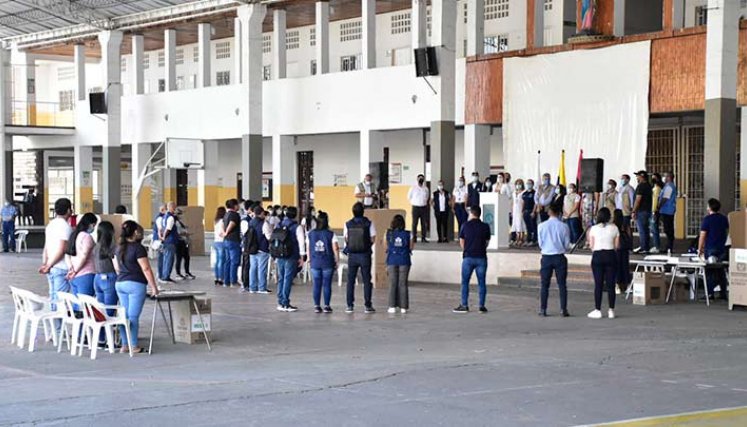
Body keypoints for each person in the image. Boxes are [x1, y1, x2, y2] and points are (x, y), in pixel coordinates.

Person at [113, 221, 159, 354]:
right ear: (135, 232)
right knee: (132, 316)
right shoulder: (138, 248)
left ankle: (124, 344)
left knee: (124, 315)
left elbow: (116, 267)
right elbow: (146, 268)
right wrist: (154, 287)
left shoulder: (119, 247)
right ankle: (133, 345)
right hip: (135, 284)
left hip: (120, 283)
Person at [38, 198, 73, 323]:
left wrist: (46, 263)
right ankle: (58, 332)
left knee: (53, 298)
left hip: (51, 268)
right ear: (69, 210)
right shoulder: (65, 227)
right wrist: (49, 265)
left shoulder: (50, 225)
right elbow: (62, 249)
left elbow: (46, 247)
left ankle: (55, 331)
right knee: (60, 302)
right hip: (60, 268)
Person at [453, 206, 491, 314]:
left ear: (471, 213)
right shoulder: (485, 226)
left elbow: (461, 241)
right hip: (481, 257)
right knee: (482, 282)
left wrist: (467, 250)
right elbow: (487, 242)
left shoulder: (465, 225)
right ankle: (481, 306)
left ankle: (464, 305)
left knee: (465, 282)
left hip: (468, 257)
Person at [537, 204, 571, 317]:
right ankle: (563, 309)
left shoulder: (541, 226)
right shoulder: (564, 226)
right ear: (559, 212)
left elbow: (540, 244)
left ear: (549, 212)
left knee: (544, 284)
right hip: (559, 256)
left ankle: (543, 309)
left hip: (546, 256)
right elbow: (567, 244)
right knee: (562, 284)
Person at [344, 202, 377, 313]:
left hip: (352, 255)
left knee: (350, 281)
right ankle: (368, 305)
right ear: (363, 211)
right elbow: (373, 239)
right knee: (367, 280)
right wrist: (366, 245)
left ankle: (349, 305)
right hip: (365, 255)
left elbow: (346, 238)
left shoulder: (348, 224)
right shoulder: (369, 223)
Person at [587, 208, 620, 319]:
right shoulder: (614, 228)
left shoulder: (593, 229)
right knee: (611, 284)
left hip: (597, 255)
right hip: (610, 255)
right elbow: (616, 245)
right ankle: (611, 310)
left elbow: (591, 245)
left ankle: (598, 310)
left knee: (598, 284)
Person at [272, 206, 306, 311]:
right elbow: (301, 243)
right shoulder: (297, 227)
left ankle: (280, 301)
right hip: (291, 255)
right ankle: (286, 303)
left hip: (280, 254)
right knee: (288, 278)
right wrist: (302, 257)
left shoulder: (279, 224)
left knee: (282, 278)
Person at [698, 198, 730, 300]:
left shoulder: (707, 219)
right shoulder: (723, 219)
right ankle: (723, 293)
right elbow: (726, 231)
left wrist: (700, 249)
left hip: (710, 247)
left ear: (709, 207)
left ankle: (710, 293)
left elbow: (703, 235)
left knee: (710, 271)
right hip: (721, 247)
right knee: (721, 270)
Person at [307, 211, 339, 313]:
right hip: (327, 262)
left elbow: (308, 248)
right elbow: (336, 248)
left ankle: (316, 306)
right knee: (327, 284)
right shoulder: (331, 234)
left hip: (315, 262)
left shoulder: (311, 233)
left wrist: (309, 258)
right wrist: (337, 260)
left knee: (316, 284)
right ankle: (327, 306)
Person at [93, 221, 118, 346]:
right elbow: (117, 265)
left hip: (97, 278)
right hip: (109, 278)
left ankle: (101, 338)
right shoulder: (112, 247)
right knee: (109, 312)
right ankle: (110, 340)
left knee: (101, 311)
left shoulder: (96, 246)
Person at [65, 212, 98, 302]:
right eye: (94, 225)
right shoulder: (87, 237)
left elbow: (67, 254)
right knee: (86, 304)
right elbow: (84, 256)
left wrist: (71, 269)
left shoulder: (73, 235)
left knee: (77, 305)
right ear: (90, 224)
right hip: (86, 274)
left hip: (74, 276)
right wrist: (75, 271)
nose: (94, 228)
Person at [386, 214, 414, 314]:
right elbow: (411, 247)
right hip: (404, 260)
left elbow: (386, 246)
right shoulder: (408, 234)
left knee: (393, 283)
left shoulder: (389, 233)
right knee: (403, 283)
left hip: (392, 260)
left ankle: (392, 306)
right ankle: (403, 307)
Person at [249, 206, 273, 294]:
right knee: (262, 269)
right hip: (262, 248)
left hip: (252, 248)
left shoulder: (250, 222)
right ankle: (262, 288)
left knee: (253, 268)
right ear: (262, 213)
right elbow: (268, 237)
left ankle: (252, 287)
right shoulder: (264, 223)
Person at [221, 199, 242, 288]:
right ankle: (233, 281)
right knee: (235, 261)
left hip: (226, 240)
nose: (239, 206)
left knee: (227, 261)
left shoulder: (226, 214)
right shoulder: (235, 215)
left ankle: (226, 281)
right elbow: (232, 223)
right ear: (234, 206)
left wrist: (224, 233)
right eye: (238, 205)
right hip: (233, 240)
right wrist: (227, 232)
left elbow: (222, 224)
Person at [632, 171, 653, 254]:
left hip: (641, 211)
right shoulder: (648, 186)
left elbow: (638, 199)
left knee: (642, 230)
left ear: (641, 177)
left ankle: (643, 247)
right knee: (646, 229)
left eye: (637, 176)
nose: (637, 178)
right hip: (647, 210)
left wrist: (634, 211)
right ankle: (646, 247)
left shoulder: (641, 186)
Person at [158, 202, 178, 283]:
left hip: (165, 241)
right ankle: (166, 276)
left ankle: (163, 275)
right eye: (174, 207)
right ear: (170, 207)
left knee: (165, 259)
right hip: (170, 240)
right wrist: (164, 236)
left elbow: (161, 228)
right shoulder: (171, 218)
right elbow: (168, 229)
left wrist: (161, 237)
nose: (175, 209)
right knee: (169, 259)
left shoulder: (163, 217)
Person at [613, 209, 632, 295]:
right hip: (625, 248)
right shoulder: (625, 224)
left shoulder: (613, 225)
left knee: (616, 267)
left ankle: (617, 286)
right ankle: (628, 285)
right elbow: (629, 235)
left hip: (616, 248)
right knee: (625, 267)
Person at [408, 174, 430, 243]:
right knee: (414, 223)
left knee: (424, 223)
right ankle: (414, 238)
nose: (421, 180)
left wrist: (423, 203)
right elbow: (409, 197)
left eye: (422, 178)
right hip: (415, 207)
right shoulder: (413, 188)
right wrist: (414, 202)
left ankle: (423, 238)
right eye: (419, 178)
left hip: (423, 207)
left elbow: (427, 197)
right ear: (417, 179)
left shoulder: (425, 188)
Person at [659, 172, 678, 254]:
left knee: (668, 229)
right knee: (668, 229)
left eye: (665, 176)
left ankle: (669, 247)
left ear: (669, 177)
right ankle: (668, 246)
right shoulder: (668, 186)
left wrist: (659, 206)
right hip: (667, 210)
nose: (664, 177)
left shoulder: (669, 187)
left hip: (667, 210)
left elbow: (665, 198)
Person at [174, 209, 195, 280]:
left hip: (184, 241)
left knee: (187, 257)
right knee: (179, 258)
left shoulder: (180, 222)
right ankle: (178, 273)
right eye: (180, 214)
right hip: (179, 241)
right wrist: (185, 234)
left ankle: (187, 272)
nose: (181, 215)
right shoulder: (175, 222)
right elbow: (178, 232)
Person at [650, 173, 663, 254]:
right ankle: (655, 245)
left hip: (654, 211)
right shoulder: (654, 188)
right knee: (653, 229)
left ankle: (657, 246)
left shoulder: (657, 188)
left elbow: (655, 201)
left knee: (654, 229)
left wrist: (654, 210)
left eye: (654, 178)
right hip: (653, 210)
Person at [511, 179, 527, 247]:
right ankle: (516, 238)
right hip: (515, 210)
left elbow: (524, 202)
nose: (518, 185)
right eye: (517, 184)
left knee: (521, 224)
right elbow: (513, 202)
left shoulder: (524, 192)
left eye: (520, 184)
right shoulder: (514, 192)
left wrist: (523, 210)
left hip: (520, 209)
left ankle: (521, 238)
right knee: (515, 224)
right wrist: (511, 211)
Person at [213, 207, 226, 286]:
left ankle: (216, 277)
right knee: (221, 261)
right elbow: (222, 232)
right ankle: (221, 278)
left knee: (217, 261)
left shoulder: (216, 221)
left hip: (216, 242)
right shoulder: (222, 221)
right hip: (222, 241)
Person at [153, 204, 166, 281]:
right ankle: (160, 274)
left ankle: (160, 273)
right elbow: (160, 230)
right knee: (161, 257)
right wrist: (162, 238)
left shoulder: (160, 217)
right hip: (160, 241)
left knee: (161, 257)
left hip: (158, 240)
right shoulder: (160, 218)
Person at [522, 179, 537, 246]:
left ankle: (534, 240)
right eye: (527, 183)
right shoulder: (524, 193)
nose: (528, 184)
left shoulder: (534, 193)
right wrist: (522, 211)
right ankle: (528, 240)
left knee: (533, 226)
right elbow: (523, 202)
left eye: (530, 183)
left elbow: (535, 203)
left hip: (531, 211)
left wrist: (533, 212)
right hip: (525, 212)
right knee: (527, 227)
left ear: (533, 184)